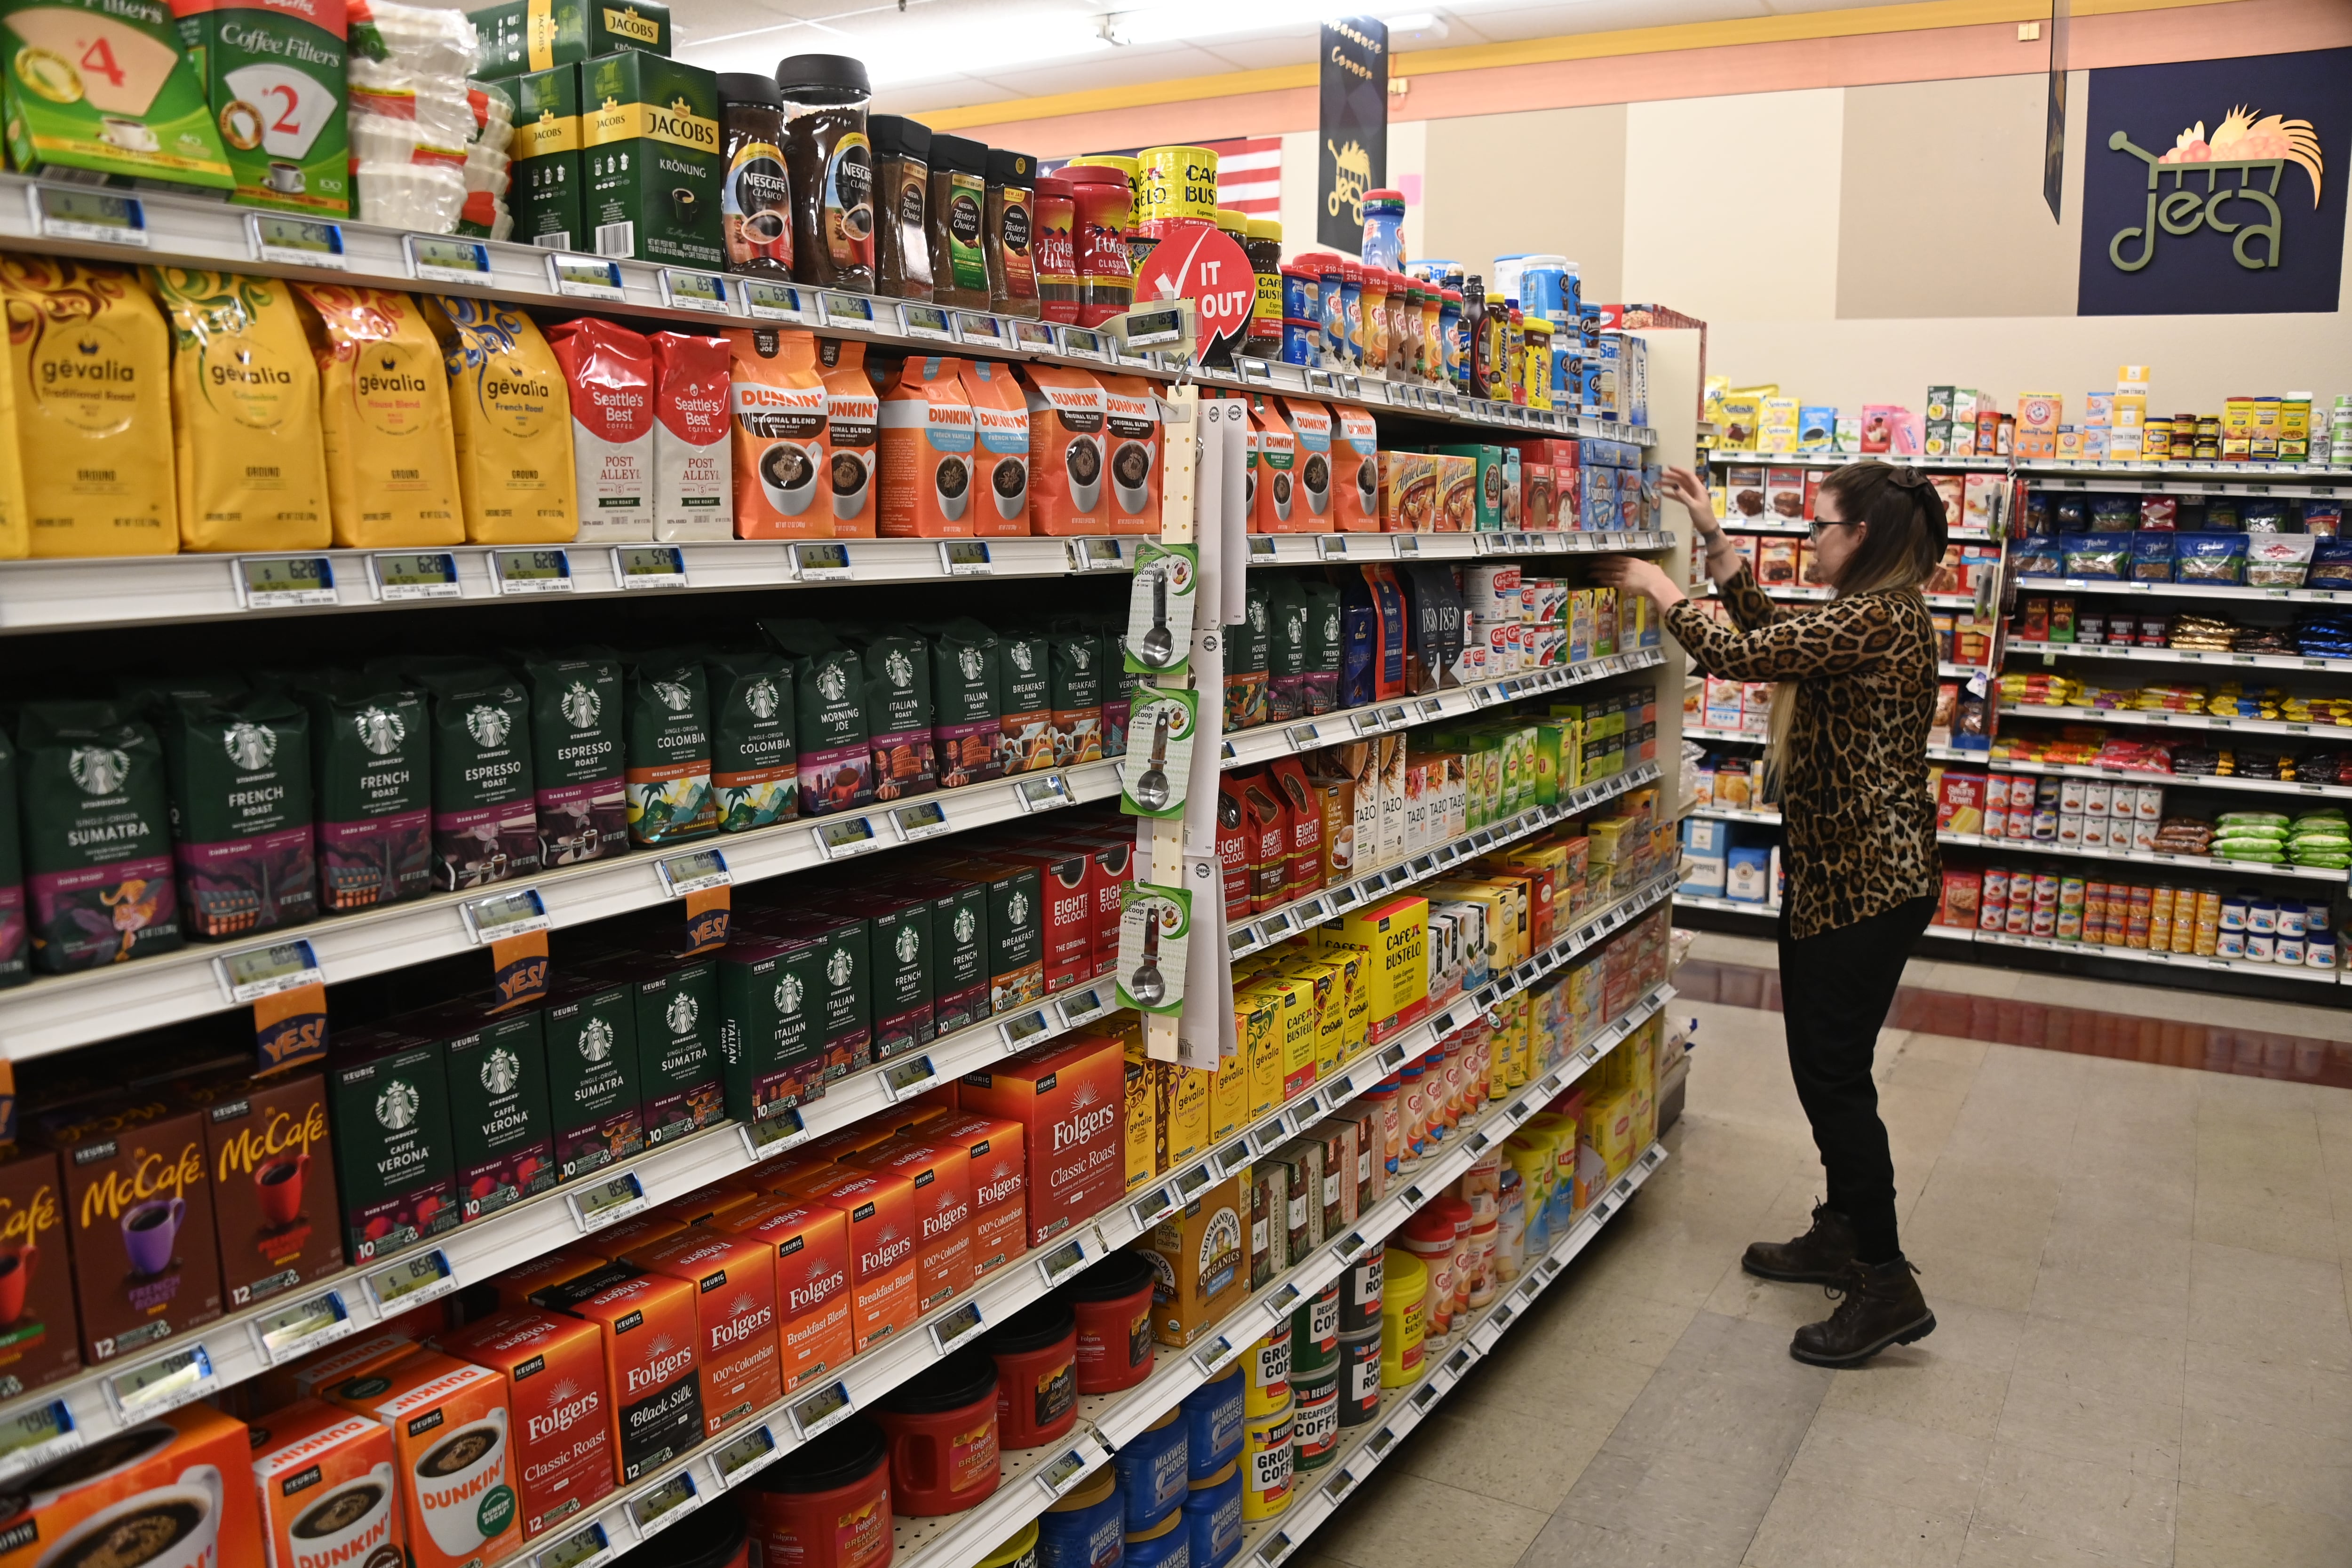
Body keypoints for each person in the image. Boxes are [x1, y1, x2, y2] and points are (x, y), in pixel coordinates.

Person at [1593, 461, 1945, 1366]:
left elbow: (1747, 655)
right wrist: (1712, 534)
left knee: (1835, 1076)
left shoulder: (1882, 616)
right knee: (1829, 1065)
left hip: (1867, 885)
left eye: (1821, 525)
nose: (1812, 538)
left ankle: (1884, 1277)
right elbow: (1781, 635)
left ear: (1860, 536)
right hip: (1840, 879)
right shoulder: (1871, 612)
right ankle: (1842, 1229)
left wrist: (1661, 586)